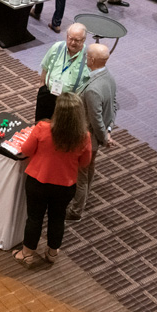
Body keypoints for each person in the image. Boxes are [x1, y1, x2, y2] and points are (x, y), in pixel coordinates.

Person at [14, 92, 93, 267]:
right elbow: (85, 163)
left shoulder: (42, 128)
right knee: (57, 218)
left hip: (38, 181)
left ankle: (27, 253)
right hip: (65, 186)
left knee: (34, 218)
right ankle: (52, 253)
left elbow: (26, 150)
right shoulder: (84, 137)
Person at [67, 44, 116, 221]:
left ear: (93, 60)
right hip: (96, 137)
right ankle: (85, 197)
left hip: (87, 138)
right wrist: (109, 131)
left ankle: (75, 211)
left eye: (87, 56)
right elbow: (113, 106)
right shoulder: (109, 77)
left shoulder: (93, 89)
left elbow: (95, 119)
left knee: (81, 173)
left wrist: (104, 138)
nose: (85, 58)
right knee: (90, 167)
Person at [36, 23, 90, 121]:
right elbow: (45, 66)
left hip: (69, 102)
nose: (73, 42)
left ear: (83, 40)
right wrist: (42, 85)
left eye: (77, 40)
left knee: (62, 131)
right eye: (70, 38)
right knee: (41, 126)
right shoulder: (57, 47)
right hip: (48, 94)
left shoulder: (89, 56)